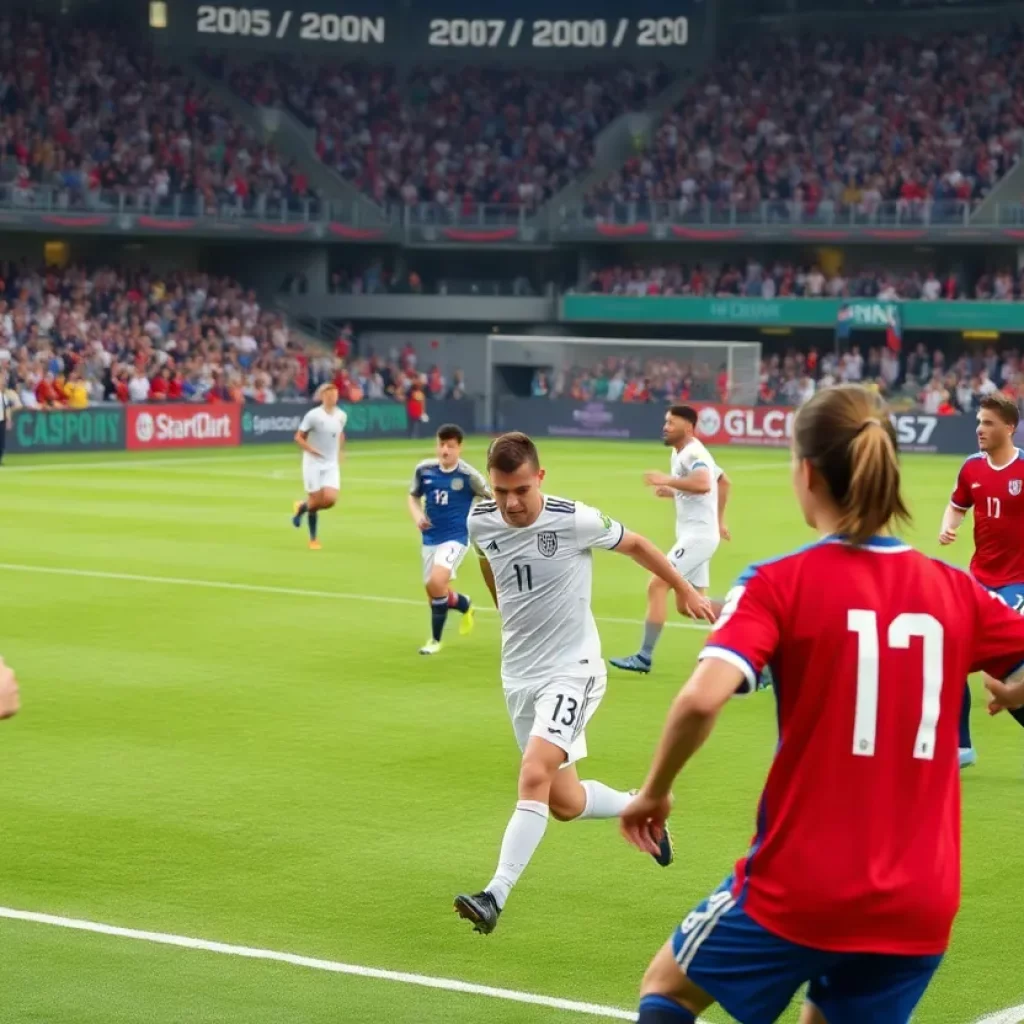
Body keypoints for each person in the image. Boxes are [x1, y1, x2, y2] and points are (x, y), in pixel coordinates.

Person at [620, 385, 1024, 1024]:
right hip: (920, 900)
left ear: (807, 475)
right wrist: (1014, 690)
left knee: (667, 989)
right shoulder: (957, 593)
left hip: (802, 883)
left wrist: (652, 792)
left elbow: (701, 700)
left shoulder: (777, 582)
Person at [453, 432, 714, 936]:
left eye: (522, 490)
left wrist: (684, 587)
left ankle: (494, 894)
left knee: (533, 771)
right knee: (564, 802)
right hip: (519, 674)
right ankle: (642, 807)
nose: (511, 502)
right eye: (503, 491)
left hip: (574, 670)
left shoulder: (574, 519)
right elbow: (489, 560)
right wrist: (504, 608)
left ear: (541, 479)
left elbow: (636, 543)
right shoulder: (480, 520)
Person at [611, 406, 731, 675]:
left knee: (657, 584)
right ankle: (745, 618)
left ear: (688, 428)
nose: (665, 426)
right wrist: (678, 493)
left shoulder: (693, 452)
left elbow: (703, 483)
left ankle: (644, 657)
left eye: (671, 422)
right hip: (699, 535)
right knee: (689, 606)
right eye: (665, 421)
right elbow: (723, 482)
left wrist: (669, 480)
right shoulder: (684, 451)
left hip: (698, 537)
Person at [940, 392, 1024, 768]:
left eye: (988, 423)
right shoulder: (971, 468)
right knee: (951, 652)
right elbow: (957, 505)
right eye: (978, 422)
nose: (979, 429)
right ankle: (960, 747)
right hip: (980, 582)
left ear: (1009, 428)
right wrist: (949, 527)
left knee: (999, 658)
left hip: (1018, 583)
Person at [407, 423, 489, 655]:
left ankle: (434, 641)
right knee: (434, 592)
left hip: (456, 538)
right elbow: (412, 497)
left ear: (459, 448)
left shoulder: (469, 475)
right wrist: (417, 516)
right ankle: (464, 604)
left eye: (450, 446)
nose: (445, 450)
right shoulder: (424, 470)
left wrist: (479, 521)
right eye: (441, 445)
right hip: (430, 537)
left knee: (436, 582)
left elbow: (490, 498)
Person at [291, 383, 347, 550]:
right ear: (323, 396)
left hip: (330, 464)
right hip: (312, 463)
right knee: (315, 502)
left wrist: (341, 451)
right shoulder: (313, 415)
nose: (332, 397)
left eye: (335, 394)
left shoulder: (342, 415)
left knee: (330, 500)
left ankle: (302, 507)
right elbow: (299, 437)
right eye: (329, 394)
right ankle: (313, 539)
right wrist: (311, 450)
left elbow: (339, 433)